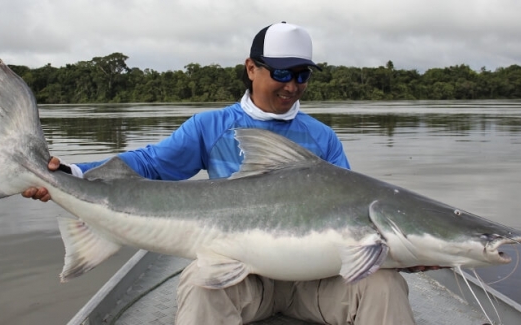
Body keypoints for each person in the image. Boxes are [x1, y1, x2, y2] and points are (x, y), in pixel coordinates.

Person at [24, 22, 424, 324]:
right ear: (251, 68)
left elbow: (351, 208)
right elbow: (150, 165)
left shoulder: (322, 138)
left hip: (314, 281)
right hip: (242, 278)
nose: (292, 86)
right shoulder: (210, 126)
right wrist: (73, 171)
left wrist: (411, 251)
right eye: (282, 73)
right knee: (200, 285)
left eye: (302, 74)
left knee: (384, 286)